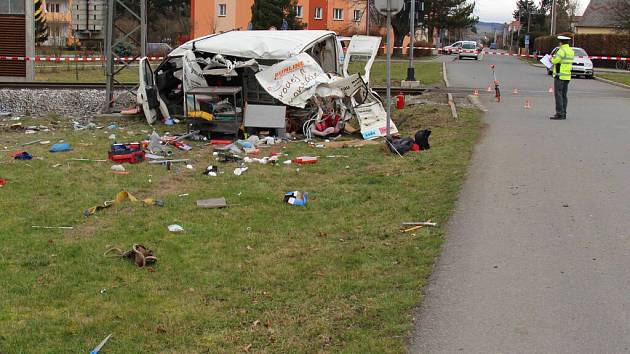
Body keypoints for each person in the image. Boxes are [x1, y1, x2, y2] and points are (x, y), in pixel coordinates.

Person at [550, 35, 575, 120]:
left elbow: (555, 61)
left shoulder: (561, 50)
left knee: (558, 95)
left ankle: (559, 113)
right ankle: (564, 113)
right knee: (564, 95)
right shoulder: (570, 51)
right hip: (567, 75)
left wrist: (551, 59)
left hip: (559, 75)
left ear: (561, 42)